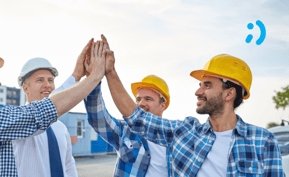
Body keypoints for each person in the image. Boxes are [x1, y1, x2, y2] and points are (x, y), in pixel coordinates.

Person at [0, 40, 107, 176]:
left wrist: (75, 77)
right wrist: (93, 77)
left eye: (50, 80)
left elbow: (68, 166)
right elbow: (39, 113)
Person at [101, 53, 285, 176]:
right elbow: (136, 118)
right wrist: (110, 72)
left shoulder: (263, 141)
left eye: (207, 85)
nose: (198, 92)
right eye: (200, 85)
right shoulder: (185, 132)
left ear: (229, 94)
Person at [84, 35, 171, 177]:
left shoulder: (175, 137)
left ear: (163, 105)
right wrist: (93, 79)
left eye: (148, 99)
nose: (141, 103)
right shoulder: (125, 131)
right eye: (138, 99)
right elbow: (98, 118)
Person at [12, 57, 79, 177]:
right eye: (40, 80)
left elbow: (68, 166)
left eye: (50, 80)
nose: (47, 85)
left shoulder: (61, 128)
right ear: (26, 88)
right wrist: (76, 76)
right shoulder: (17, 123)